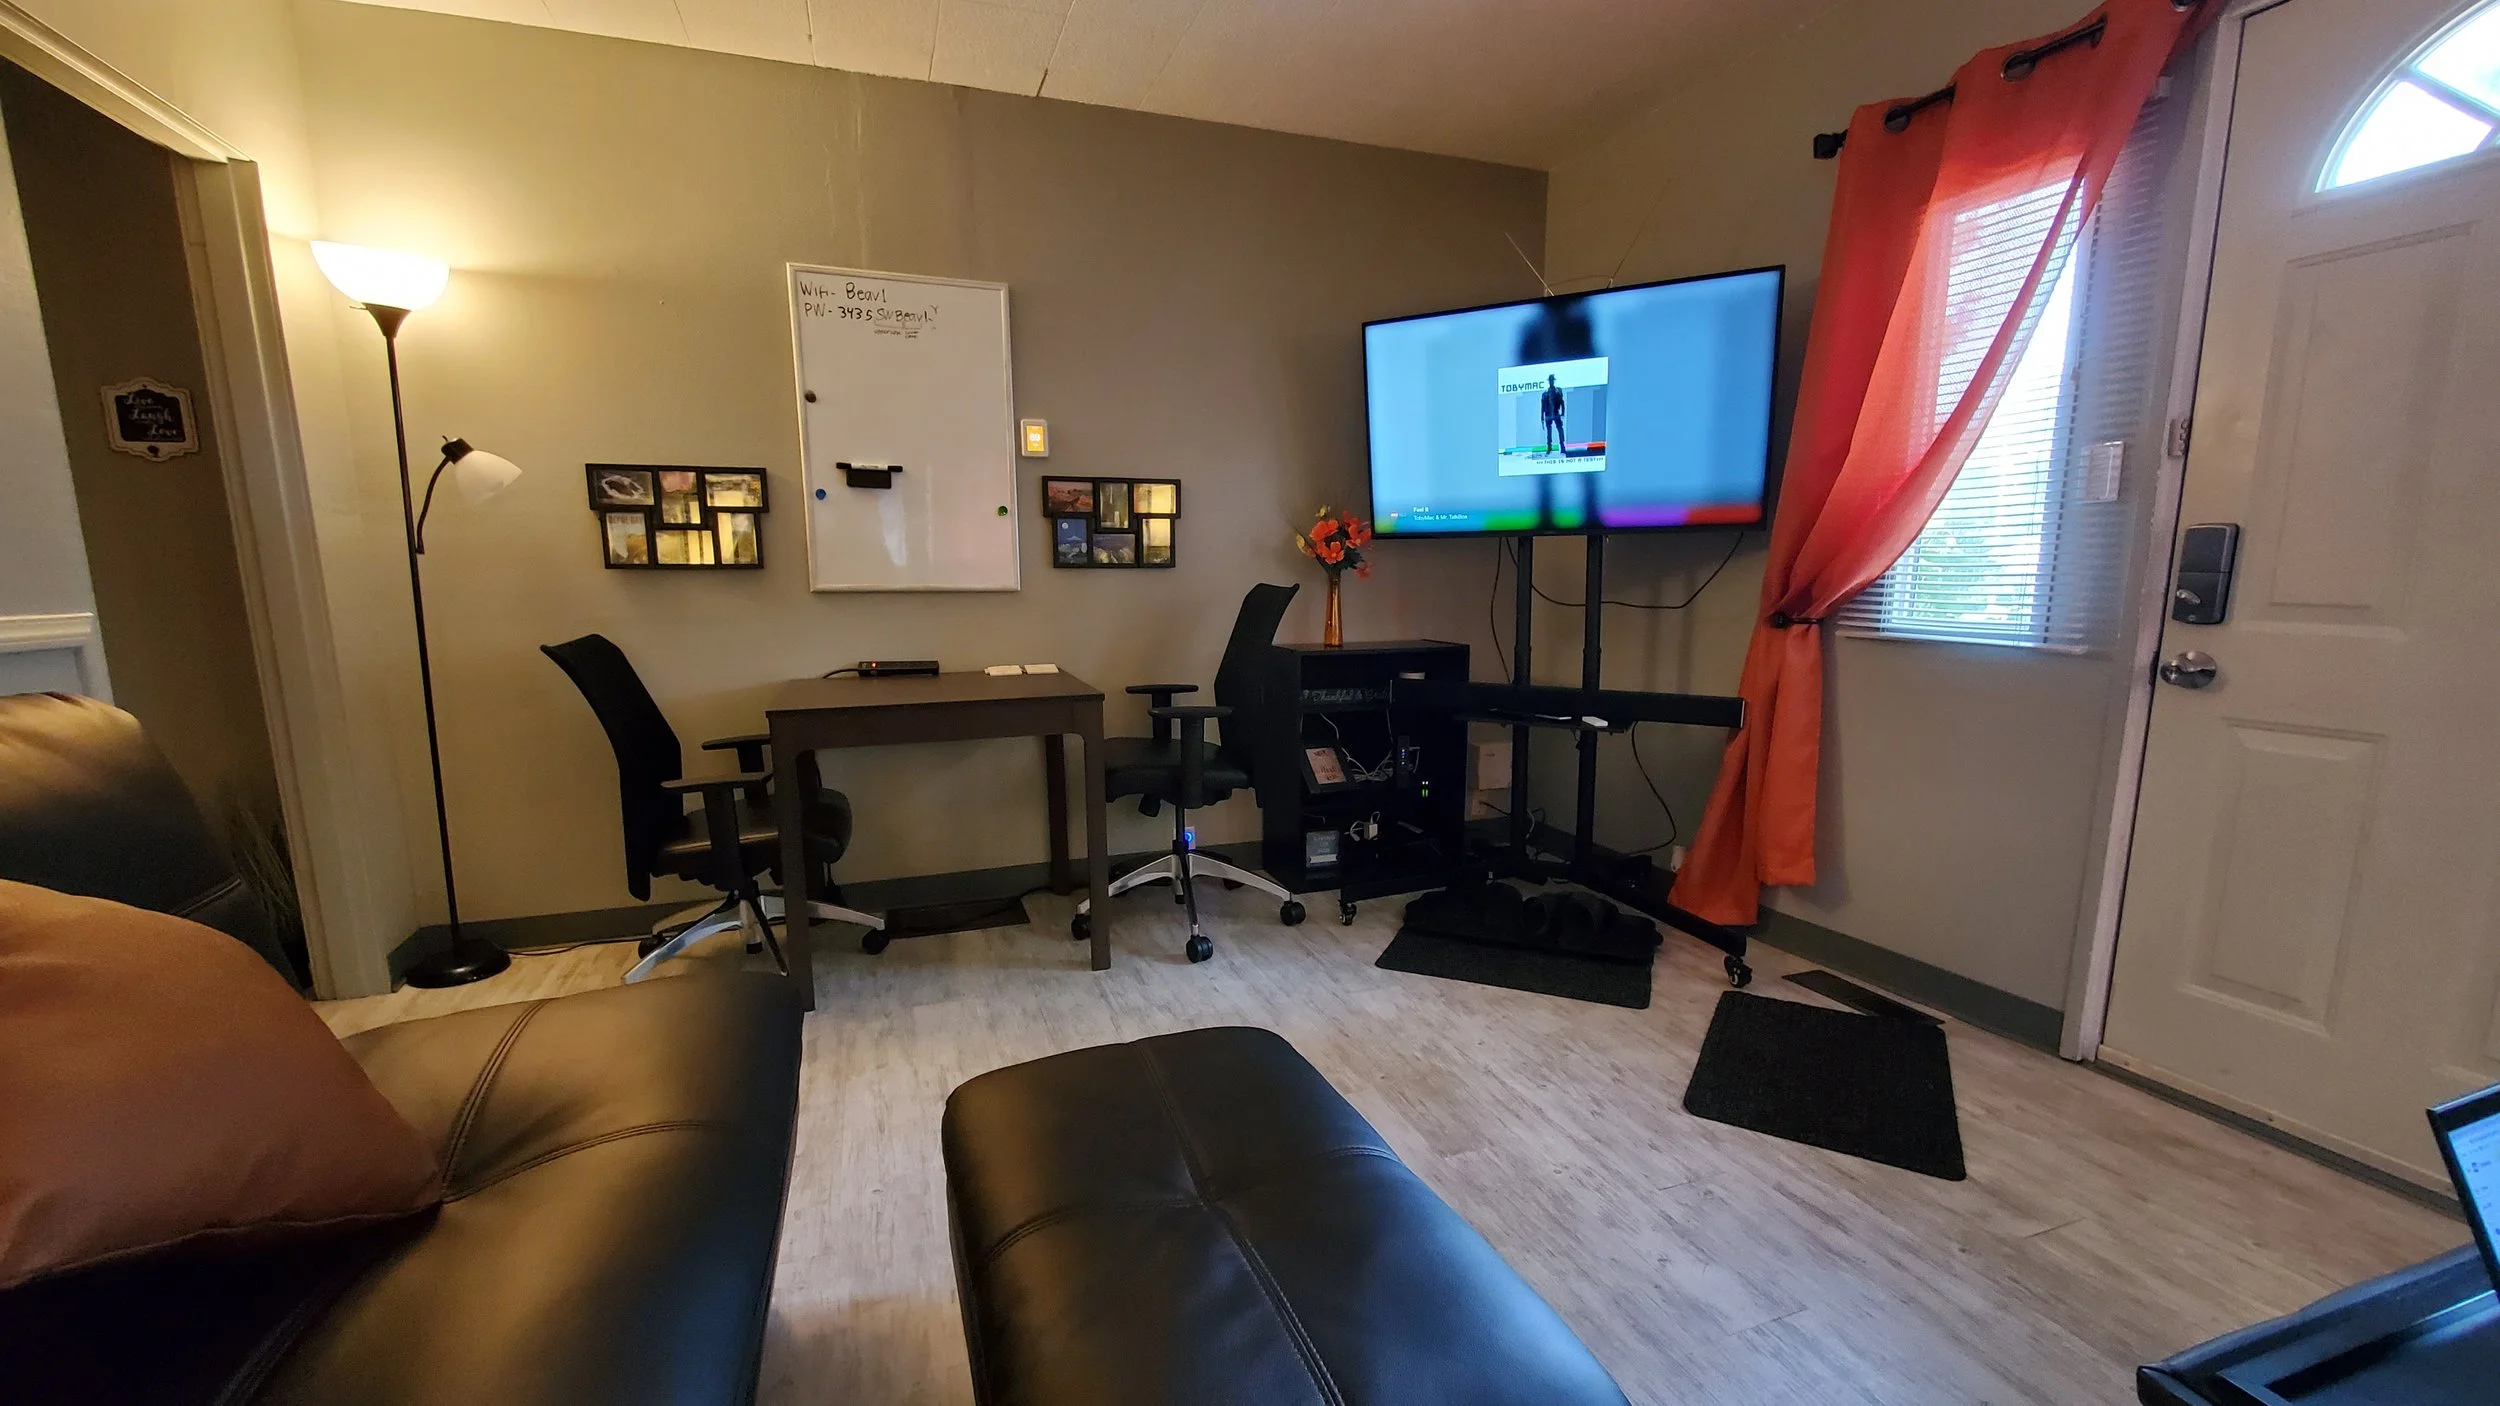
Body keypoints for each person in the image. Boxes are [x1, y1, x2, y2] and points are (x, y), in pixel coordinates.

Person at [1539, 374, 1566, 454]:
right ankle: (1549, 447)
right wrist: (1542, 418)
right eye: (1550, 380)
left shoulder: (1558, 391)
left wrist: (1563, 413)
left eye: (1552, 380)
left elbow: (1562, 402)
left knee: (1560, 429)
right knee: (1549, 431)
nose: (1551, 382)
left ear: (1553, 381)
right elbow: (1543, 406)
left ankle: (1562, 446)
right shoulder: (1545, 394)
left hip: (1556, 413)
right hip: (1548, 414)